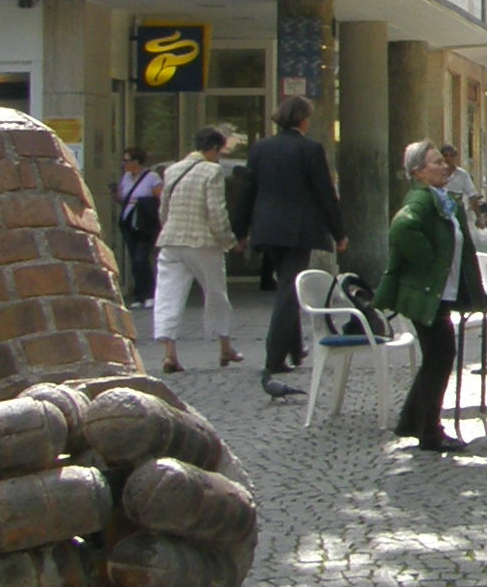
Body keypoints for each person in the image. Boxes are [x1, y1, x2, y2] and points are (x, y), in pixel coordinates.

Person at [243, 95, 346, 400]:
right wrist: (338, 232)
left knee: (286, 283)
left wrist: (240, 230)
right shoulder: (309, 149)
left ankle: (295, 349)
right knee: (288, 289)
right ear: (303, 119)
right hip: (298, 230)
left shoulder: (260, 148)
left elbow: (248, 190)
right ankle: (275, 356)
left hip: (267, 227)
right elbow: (325, 193)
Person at [366, 143, 465, 452]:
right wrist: (429, 263)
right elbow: (402, 227)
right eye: (436, 162)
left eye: (443, 161)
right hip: (428, 294)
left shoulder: (437, 197)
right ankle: (429, 431)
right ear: (419, 171)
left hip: (438, 292)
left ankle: (412, 421)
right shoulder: (421, 198)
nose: (445, 166)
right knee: (440, 357)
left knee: (437, 357)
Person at [151, 127, 244, 374]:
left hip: (171, 241)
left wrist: (170, 228)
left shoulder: (172, 170)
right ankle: (225, 346)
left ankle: (169, 353)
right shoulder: (212, 171)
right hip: (202, 242)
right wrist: (229, 240)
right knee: (216, 293)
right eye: (219, 152)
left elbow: (164, 209)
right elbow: (216, 212)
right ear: (213, 149)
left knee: (168, 295)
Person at [113, 147, 163, 305]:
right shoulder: (126, 177)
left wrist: (141, 202)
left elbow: (160, 199)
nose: (124, 164)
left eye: (127, 160)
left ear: (137, 161)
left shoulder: (151, 177)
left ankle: (150, 294)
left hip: (145, 224)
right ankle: (139, 295)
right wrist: (116, 193)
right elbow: (123, 198)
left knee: (141, 259)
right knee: (134, 261)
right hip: (129, 222)